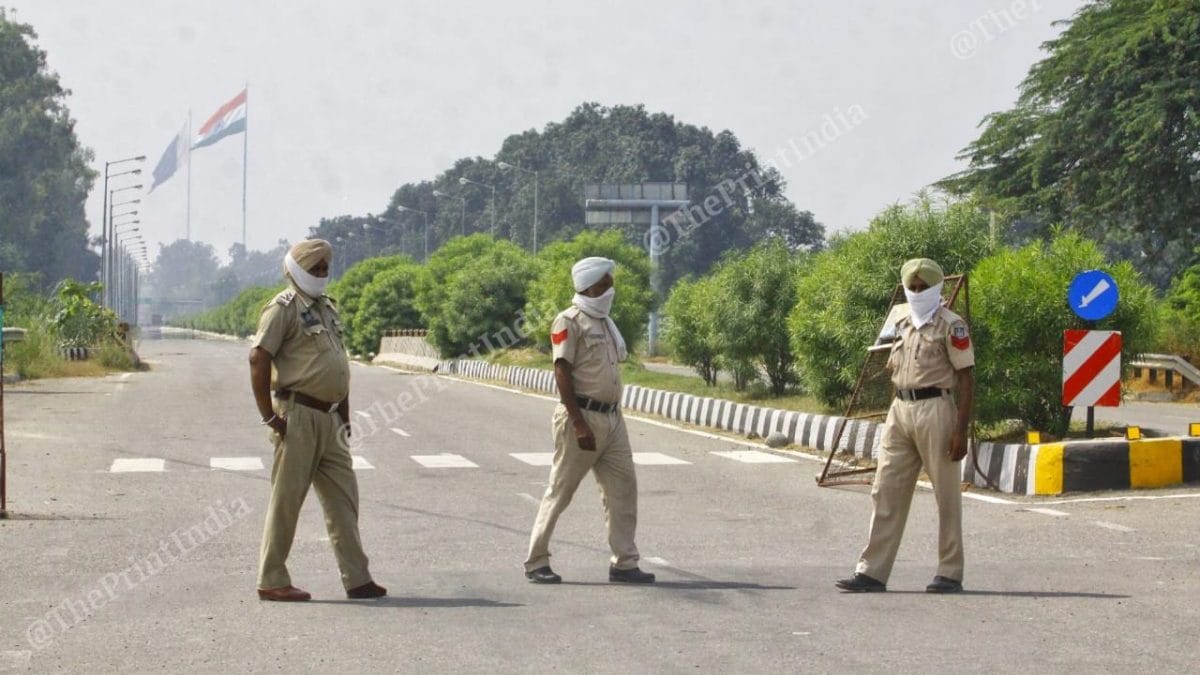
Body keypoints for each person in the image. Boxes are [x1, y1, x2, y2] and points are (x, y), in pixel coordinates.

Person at [248, 239, 386, 602]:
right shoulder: (283, 309)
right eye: (315, 269)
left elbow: (338, 364)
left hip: (330, 418)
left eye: (325, 269)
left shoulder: (327, 308)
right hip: (298, 415)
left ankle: (357, 577)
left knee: (345, 500)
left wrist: (344, 416)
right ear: (296, 270)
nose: (322, 275)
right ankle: (271, 578)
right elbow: (258, 359)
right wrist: (269, 417)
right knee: (286, 500)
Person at [836, 258, 974, 594]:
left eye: (922, 287)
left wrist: (960, 430)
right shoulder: (899, 320)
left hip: (935, 409)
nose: (916, 292)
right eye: (911, 287)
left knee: (946, 494)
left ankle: (949, 572)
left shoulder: (950, 325)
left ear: (936, 288)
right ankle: (871, 572)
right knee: (885, 490)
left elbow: (967, 377)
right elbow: (889, 366)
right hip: (900, 409)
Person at [523, 257, 655, 585]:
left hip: (613, 421)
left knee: (623, 491)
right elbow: (561, 370)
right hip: (581, 419)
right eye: (606, 283)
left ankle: (624, 563)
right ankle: (536, 560)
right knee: (560, 490)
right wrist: (578, 423)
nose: (611, 289)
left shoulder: (606, 322)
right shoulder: (569, 321)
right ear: (591, 286)